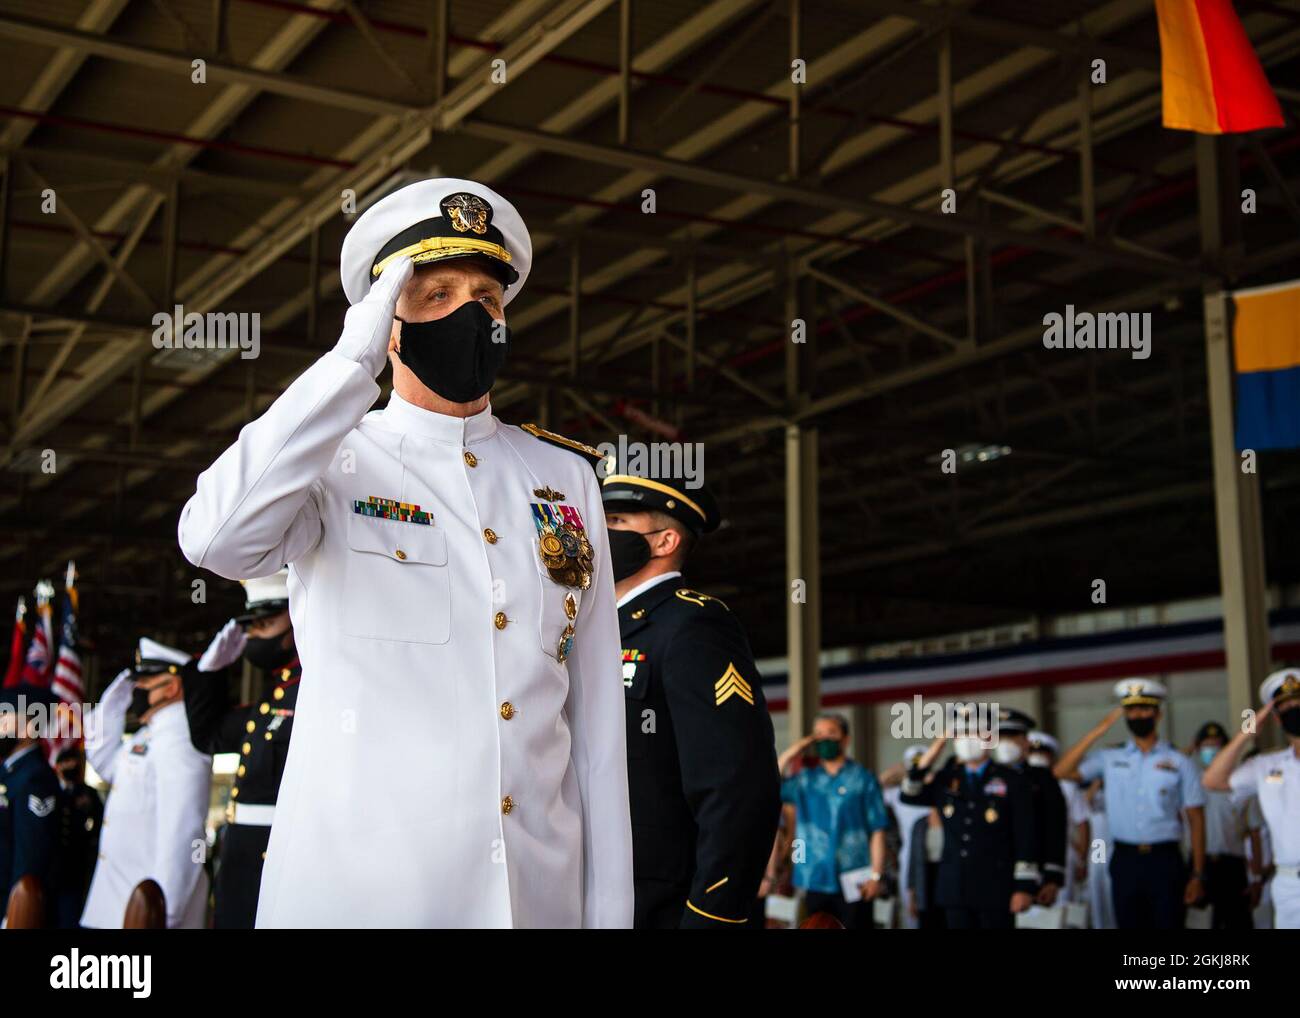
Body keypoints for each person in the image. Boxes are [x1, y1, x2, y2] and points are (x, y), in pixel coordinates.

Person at [178, 178, 632, 928]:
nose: (468, 313)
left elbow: (596, 730)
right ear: (386, 319)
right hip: (364, 899)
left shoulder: (564, 478)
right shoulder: (329, 458)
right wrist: (348, 368)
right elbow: (215, 538)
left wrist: (608, 914)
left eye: (487, 297)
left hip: (535, 899)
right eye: (435, 293)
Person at [604, 473, 779, 928]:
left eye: (617, 520)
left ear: (664, 540)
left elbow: (737, 787)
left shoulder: (692, 627)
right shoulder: (595, 628)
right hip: (596, 893)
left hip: (660, 905)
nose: (597, 531)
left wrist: (712, 915)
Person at [182, 569, 301, 929]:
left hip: (282, 857)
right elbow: (209, 737)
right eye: (251, 626)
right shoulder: (270, 700)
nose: (254, 635)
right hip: (241, 857)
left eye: (265, 623)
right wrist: (209, 672)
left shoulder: (313, 693)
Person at [1054, 678, 1206, 930]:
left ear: (1158, 714)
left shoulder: (1179, 761)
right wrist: (1098, 730)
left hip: (1165, 859)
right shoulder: (1110, 758)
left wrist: (1198, 874)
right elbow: (1060, 771)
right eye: (1131, 710)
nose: (1137, 716)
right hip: (1124, 859)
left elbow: (1197, 819)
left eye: (1144, 709)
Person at [81, 639, 212, 929]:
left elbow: (184, 834)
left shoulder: (181, 743)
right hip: (117, 906)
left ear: (173, 686)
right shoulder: (146, 737)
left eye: (145, 681)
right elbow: (100, 757)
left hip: (146, 914)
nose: (137, 689)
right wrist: (115, 698)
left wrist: (164, 915)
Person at [899, 710, 1038, 929]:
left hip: (996, 887)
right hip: (954, 888)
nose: (967, 739)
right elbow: (909, 792)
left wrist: (1024, 887)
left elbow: (1026, 835)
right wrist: (940, 742)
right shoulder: (947, 779)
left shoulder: (1012, 780)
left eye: (975, 733)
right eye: (962, 734)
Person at [1202, 667, 1300, 928]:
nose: (1293, 708)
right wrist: (1247, 732)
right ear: (1277, 718)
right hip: (1290, 885)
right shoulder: (1265, 766)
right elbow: (1212, 780)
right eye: (1285, 705)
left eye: (1297, 702)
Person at [777, 713, 888, 929]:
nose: (824, 739)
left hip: (856, 879)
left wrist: (876, 875)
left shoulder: (863, 779)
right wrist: (797, 748)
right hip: (814, 877)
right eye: (819, 735)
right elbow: (773, 781)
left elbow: (878, 830)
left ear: (846, 739)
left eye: (831, 733)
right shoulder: (805, 780)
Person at [1189, 721, 1262, 928]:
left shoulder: (1240, 783)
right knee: (1199, 923)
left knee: (1237, 922)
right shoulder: (1189, 780)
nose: (1212, 751)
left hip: (1232, 865)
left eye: (1218, 746)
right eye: (1206, 746)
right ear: (1197, 748)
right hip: (1198, 863)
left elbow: (1254, 833)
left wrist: (1256, 877)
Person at [992, 708, 1066, 905]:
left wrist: (1052, 877)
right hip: (991, 877)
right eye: (1000, 737)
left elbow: (1055, 828)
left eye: (1012, 736)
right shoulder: (985, 778)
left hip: (1035, 875)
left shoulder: (1041, 779)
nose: (1005, 743)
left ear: (1025, 741)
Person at [0, 684, 60, 918]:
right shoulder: (10, 773)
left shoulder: (35, 779)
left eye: (5, 715)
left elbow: (30, 856)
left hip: (12, 908)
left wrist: (13, 915)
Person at [1026, 731, 1090, 905]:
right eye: (1032, 751)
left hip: (1065, 853)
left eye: (1042, 752)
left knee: (1062, 907)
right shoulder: (1019, 783)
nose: (1037, 756)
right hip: (1029, 855)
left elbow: (1085, 824)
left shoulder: (1067, 786)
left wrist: (1086, 861)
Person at [50, 745, 103, 928]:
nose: (70, 766)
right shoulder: (52, 792)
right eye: (65, 763)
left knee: (71, 914)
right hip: (53, 865)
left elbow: (99, 823)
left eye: (73, 763)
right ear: (58, 767)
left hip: (78, 863)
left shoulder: (88, 793)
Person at [880, 744, 931, 927]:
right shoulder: (898, 794)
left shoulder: (940, 790)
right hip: (910, 858)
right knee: (911, 915)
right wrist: (894, 771)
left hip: (939, 857)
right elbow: (872, 791)